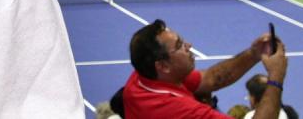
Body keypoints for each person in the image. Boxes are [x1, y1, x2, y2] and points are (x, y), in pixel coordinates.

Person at [123, 19, 287, 119]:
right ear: (163, 66)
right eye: (180, 46)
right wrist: (276, 76)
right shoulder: (181, 111)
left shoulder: (143, 76)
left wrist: (254, 53)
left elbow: (210, 78)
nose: (189, 46)